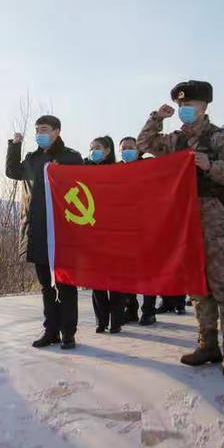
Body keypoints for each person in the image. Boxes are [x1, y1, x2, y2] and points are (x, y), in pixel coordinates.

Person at [137, 80, 224, 377]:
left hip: (213, 213)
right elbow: (143, 144)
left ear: (204, 106)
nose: (184, 110)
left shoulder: (220, 138)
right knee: (197, 281)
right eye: (180, 106)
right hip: (184, 215)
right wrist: (157, 118)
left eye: (189, 105)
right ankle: (207, 344)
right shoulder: (174, 140)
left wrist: (210, 166)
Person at [6, 115, 83, 350]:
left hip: (63, 231)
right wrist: (15, 146)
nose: (40, 133)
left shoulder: (71, 157)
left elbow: (84, 188)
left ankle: (68, 333)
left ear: (56, 131)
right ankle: (51, 331)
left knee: (65, 285)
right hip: (36, 230)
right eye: (37, 130)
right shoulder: (32, 158)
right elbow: (12, 171)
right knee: (46, 286)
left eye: (45, 129)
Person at [85, 136, 125, 334]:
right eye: (91, 148)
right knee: (97, 282)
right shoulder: (84, 170)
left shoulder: (118, 171)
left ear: (108, 150)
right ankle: (101, 320)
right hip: (93, 233)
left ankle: (116, 320)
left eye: (98, 148)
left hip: (115, 233)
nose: (94, 151)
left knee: (115, 281)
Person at [117, 136, 158, 326]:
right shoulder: (114, 170)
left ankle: (148, 311)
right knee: (127, 272)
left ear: (138, 149)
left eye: (131, 147)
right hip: (123, 228)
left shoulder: (149, 166)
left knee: (148, 271)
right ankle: (130, 309)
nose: (127, 151)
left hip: (147, 226)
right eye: (124, 148)